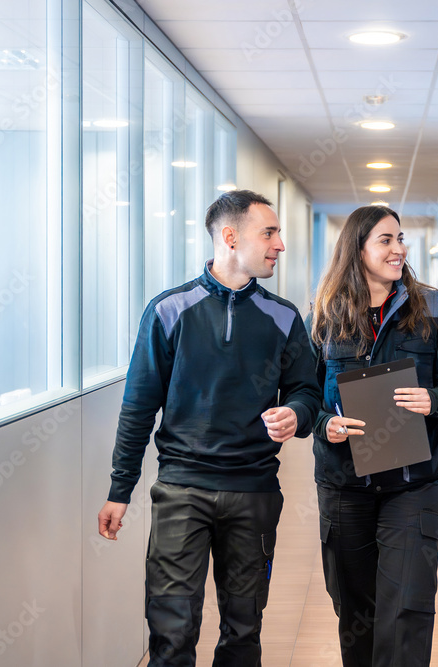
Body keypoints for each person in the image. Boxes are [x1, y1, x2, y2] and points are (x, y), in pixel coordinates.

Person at [96, 189, 321, 667]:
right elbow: (138, 406)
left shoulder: (283, 317)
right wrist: (121, 489)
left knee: (244, 631)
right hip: (182, 491)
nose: (280, 245)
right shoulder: (169, 310)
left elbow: (308, 391)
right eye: (270, 233)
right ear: (230, 236)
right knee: (172, 631)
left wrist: (296, 414)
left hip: (254, 492)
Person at [307, 205, 438, 666]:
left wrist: (433, 400)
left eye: (400, 239)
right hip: (345, 484)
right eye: (386, 240)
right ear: (357, 250)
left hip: (412, 482)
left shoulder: (430, 306)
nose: (399, 249)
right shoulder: (323, 315)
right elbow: (302, 393)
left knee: (408, 607)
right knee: (356, 610)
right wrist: (324, 424)